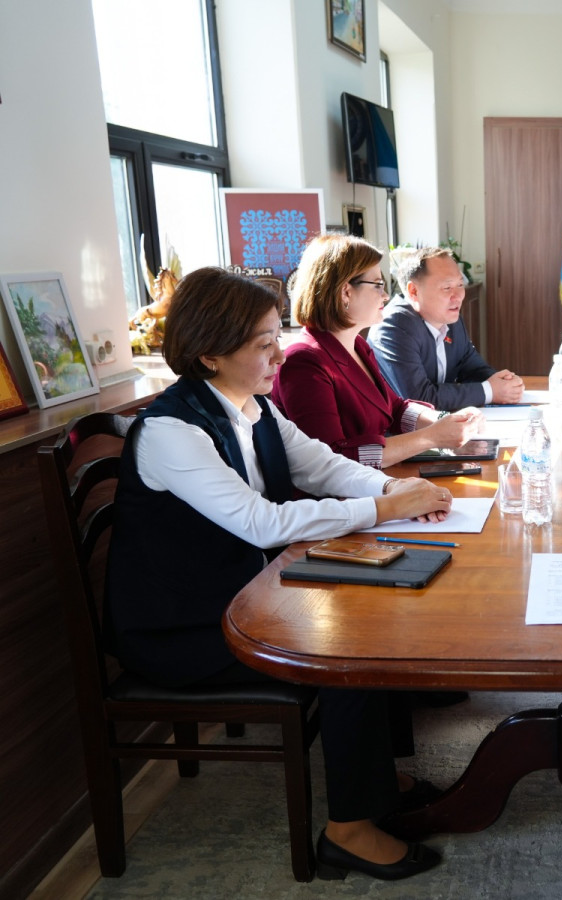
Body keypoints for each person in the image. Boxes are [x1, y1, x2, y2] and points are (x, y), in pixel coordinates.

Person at [106, 267, 452, 882]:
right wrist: (382, 508)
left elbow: (323, 467)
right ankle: (348, 831)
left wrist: (394, 491)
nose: (279, 355)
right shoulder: (170, 431)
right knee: (346, 645)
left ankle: (373, 779)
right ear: (210, 354)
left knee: (377, 606)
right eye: (264, 344)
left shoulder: (254, 406)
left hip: (239, 595)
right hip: (181, 628)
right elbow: (260, 523)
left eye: (277, 337)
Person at [274, 234, 482, 468]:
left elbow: (395, 409)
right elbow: (333, 459)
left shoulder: (357, 346)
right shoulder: (304, 361)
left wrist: (447, 421)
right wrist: (431, 437)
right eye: (377, 285)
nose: (385, 295)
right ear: (345, 292)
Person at [369, 246, 523, 410]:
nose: (458, 296)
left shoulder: (450, 319)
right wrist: (490, 391)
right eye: (447, 288)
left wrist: (504, 383)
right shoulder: (394, 326)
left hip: (442, 421)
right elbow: (419, 398)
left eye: (460, 284)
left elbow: (472, 368)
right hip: (397, 425)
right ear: (413, 291)